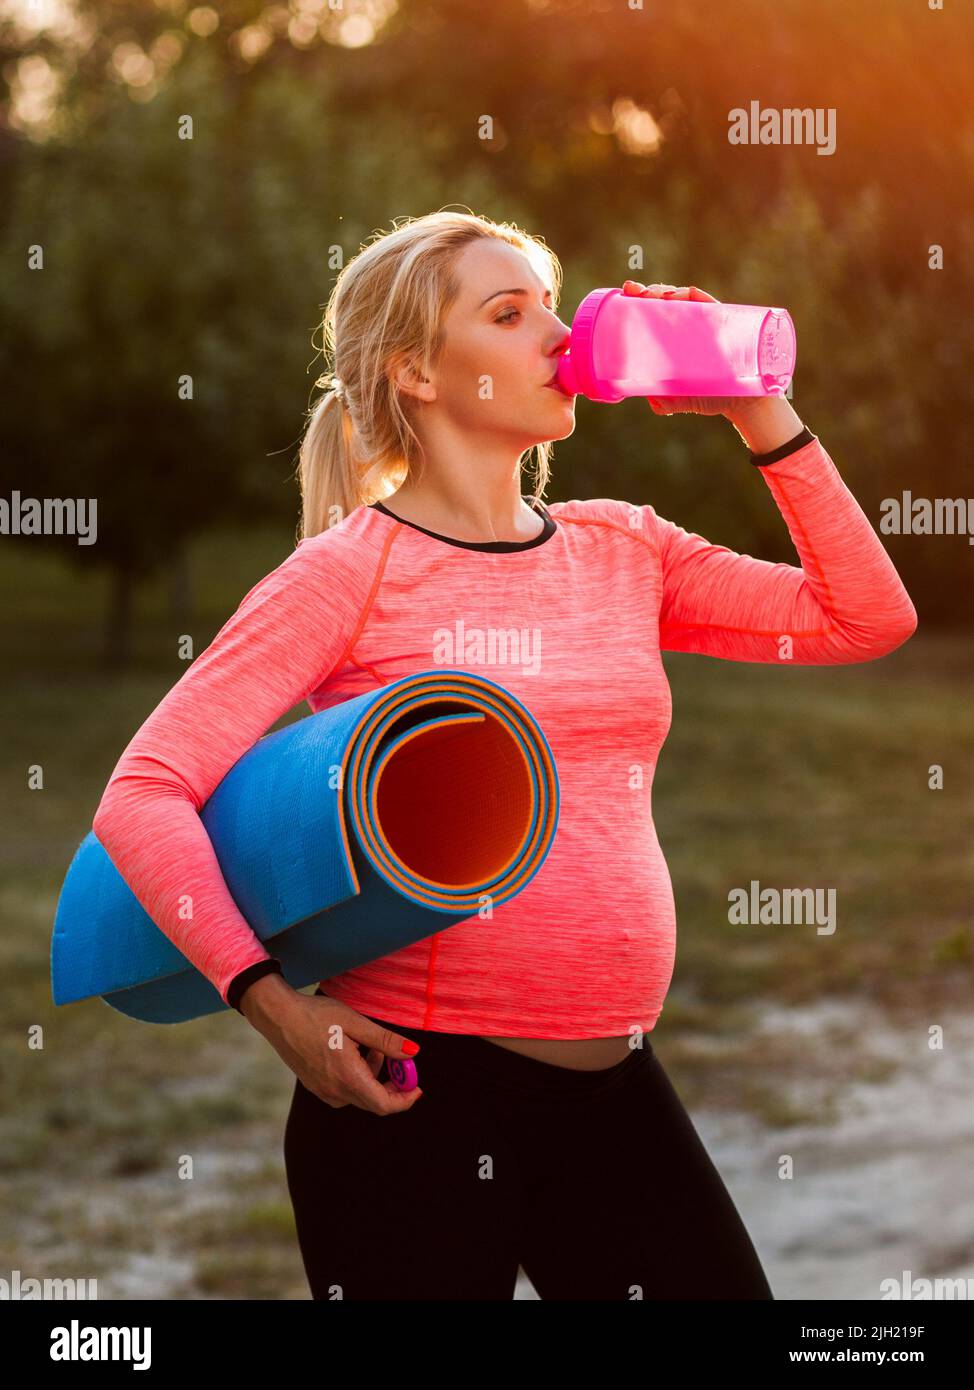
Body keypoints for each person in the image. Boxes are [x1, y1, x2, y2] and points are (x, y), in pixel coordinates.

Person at [92, 209, 918, 1301]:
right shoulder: (348, 574)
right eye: (508, 312)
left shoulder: (623, 547)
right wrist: (275, 1008)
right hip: (414, 1101)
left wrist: (753, 405)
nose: (556, 333)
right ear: (419, 374)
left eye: (552, 305)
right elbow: (144, 792)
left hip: (614, 1090)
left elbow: (862, 617)